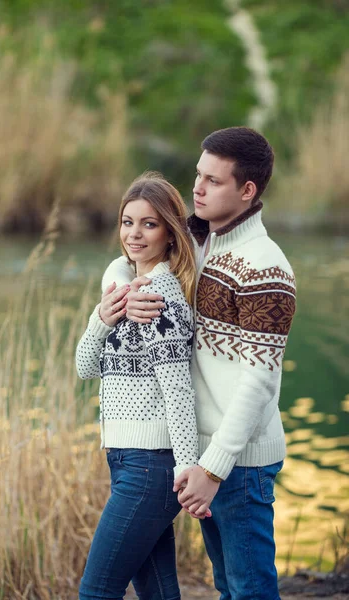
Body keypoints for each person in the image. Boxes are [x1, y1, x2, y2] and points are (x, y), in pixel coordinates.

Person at [101, 127, 296, 600]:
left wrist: (213, 470)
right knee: (227, 584)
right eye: (197, 175)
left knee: (249, 589)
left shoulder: (266, 268)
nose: (198, 188)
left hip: (240, 460)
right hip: (200, 452)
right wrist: (115, 295)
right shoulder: (195, 237)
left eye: (213, 180)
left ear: (247, 191)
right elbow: (131, 254)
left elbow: (259, 385)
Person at [75, 172, 208, 600]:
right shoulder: (124, 290)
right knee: (159, 592)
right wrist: (103, 316)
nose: (134, 233)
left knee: (96, 591)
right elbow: (83, 367)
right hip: (128, 461)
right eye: (127, 221)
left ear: (170, 233)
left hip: (151, 468)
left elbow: (178, 391)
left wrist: (188, 470)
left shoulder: (159, 299)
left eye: (149, 224)